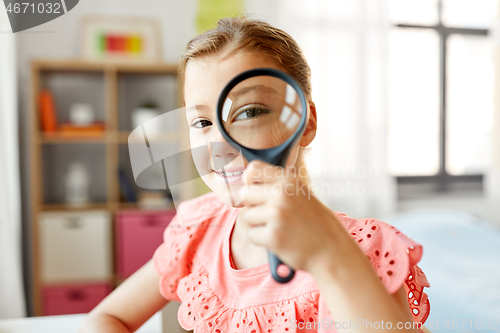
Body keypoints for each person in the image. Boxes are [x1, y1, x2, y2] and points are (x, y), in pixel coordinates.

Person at [80, 16, 430, 333]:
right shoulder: (199, 230)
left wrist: (329, 255)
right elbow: (107, 318)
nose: (219, 144)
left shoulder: (362, 252)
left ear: (304, 123)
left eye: (248, 113)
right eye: (201, 122)